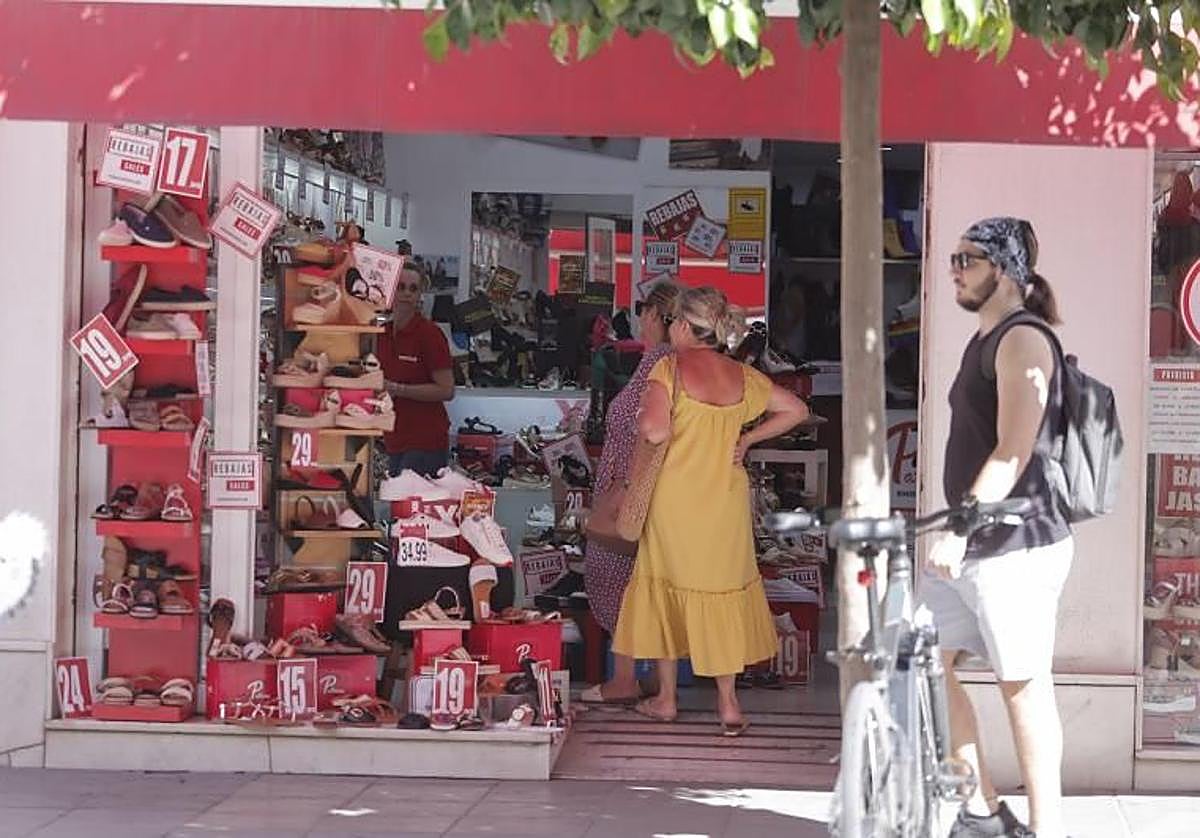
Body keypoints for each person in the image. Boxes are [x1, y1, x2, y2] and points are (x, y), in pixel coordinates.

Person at [921, 217, 1073, 838]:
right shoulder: (983, 337)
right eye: (953, 258)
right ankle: (982, 811)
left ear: (1006, 270)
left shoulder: (1023, 341)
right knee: (924, 662)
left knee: (1023, 689)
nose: (954, 269)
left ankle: (1048, 828)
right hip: (971, 544)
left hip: (1016, 546)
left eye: (969, 259)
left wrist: (959, 528)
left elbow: (1013, 450)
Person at [611, 286, 810, 734]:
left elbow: (654, 430)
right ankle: (729, 704)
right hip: (724, 503)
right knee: (721, 592)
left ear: (683, 325)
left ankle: (666, 699)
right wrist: (747, 438)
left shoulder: (669, 369)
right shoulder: (742, 376)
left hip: (674, 502)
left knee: (664, 589)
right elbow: (796, 409)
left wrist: (644, 417)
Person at [580, 280, 681, 705]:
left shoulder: (657, 364)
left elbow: (644, 430)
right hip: (654, 488)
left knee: (615, 573)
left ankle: (623, 677)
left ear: (654, 315)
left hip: (633, 487)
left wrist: (625, 484)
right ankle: (656, 677)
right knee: (649, 579)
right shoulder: (673, 364)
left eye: (643, 311)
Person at [377, 266, 455, 476]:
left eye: (413, 288)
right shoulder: (380, 334)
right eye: (401, 287)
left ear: (420, 294)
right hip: (393, 438)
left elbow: (446, 390)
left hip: (425, 441)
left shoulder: (430, 334)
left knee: (408, 497)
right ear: (391, 291)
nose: (407, 293)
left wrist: (397, 389)